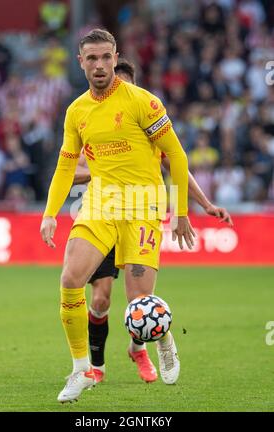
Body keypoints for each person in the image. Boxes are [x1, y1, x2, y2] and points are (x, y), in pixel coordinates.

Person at [40, 28, 194, 403]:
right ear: (81, 62)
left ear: (115, 57)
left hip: (144, 205)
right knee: (70, 277)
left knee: (140, 304)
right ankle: (81, 370)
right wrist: (50, 214)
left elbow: (176, 155)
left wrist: (183, 212)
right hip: (101, 204)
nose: (99, 65)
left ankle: (163, 338)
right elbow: (64, 167)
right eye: (91, 58)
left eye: (106, 57)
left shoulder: (144, 102)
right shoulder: (76, 111)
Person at [74, 58, 233, 385]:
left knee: (140, 301)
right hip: (103, 215)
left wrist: (201, 204)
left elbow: (178, 163)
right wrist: (103, 170)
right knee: (101, 299)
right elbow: (69, 172)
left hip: (140, 212)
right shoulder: (89, 119)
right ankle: (98, 369)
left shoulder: (145, 118)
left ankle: (141, 347)